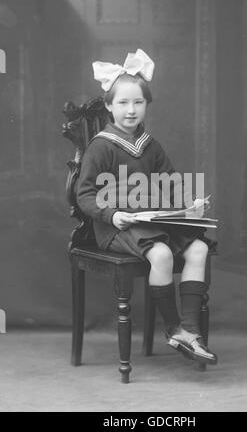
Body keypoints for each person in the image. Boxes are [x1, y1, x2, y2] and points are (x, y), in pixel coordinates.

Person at [76, 49, 218, 365]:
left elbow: (170, 180)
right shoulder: (101, 147)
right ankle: (172, 328)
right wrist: (112, 214)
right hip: (118, 225)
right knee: (163, 254)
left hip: (152, 219)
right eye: (123, 103)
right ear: (109, 106)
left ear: (146, 105)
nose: (131, 110)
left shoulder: (149, 145)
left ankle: (190, 332)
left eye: (138, 102)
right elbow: (84, 194)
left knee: (198, 249)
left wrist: (188, 204)